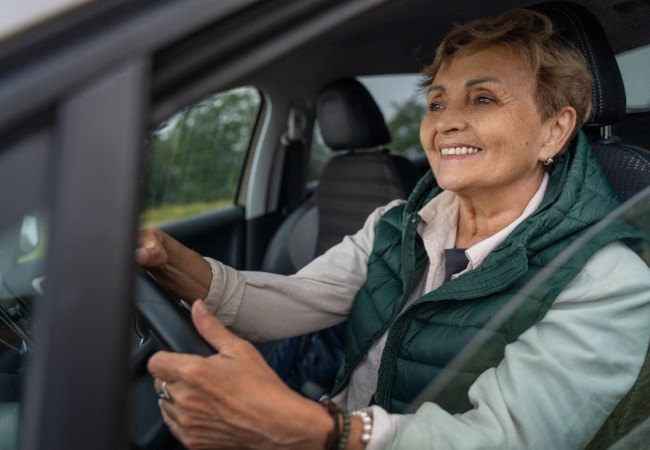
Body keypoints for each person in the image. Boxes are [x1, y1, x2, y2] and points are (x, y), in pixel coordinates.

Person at [139, 9, 650, 450]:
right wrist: (165, 260)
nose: (445, 122)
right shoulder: (397, 221)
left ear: (555, 130)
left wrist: (323, 431)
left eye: (484, 99)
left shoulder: (605, 279)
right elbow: (291, 299)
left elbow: (503, 438)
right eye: (437, 102)